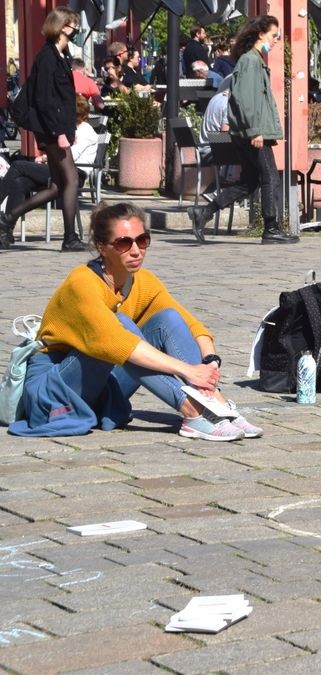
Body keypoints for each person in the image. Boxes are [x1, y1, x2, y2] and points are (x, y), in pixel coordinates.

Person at [8, 202, 261, 441]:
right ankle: (193, 413)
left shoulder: (142, 280)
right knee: (122, 325)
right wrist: (187, 371)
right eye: (123, 243)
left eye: (142, 240)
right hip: (54, 388)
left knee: (167, 319)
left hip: (101, 382)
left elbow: (192, 326)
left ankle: (216, 406)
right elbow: (116, 342)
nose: (136, 250)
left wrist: (208, 364)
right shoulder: (82, 283)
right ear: (102, 246)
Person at [186, 15, 299, 245]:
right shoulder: (250, 61)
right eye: (273, 35)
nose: (276, 40)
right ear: (260, 34)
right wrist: (256, 130)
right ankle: (271, 227)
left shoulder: (253, 59)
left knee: (249, 181)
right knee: (269, 176)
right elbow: (247, 99)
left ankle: (204, 213)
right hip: (253, 132)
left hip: (249, 131)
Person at [0, 7, 85, 252]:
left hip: (58, 128)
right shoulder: (47, 57)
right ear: (60, 27)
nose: (75, 30)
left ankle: (7, 218)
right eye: (72, 25)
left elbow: (62, 99)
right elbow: (46, 100)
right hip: (51, 130)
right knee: (71, 179)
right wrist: (60, 133)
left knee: (58, 186)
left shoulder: (62, 55)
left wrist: (68, 129)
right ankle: (70, 237)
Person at [0, 96, 97, 230]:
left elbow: (73, 155)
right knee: (20, 183)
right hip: (58, 170)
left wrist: (45, 158)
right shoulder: (70, 129)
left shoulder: (86, 131)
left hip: (75, 175)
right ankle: (6, 229)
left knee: (18, 166)